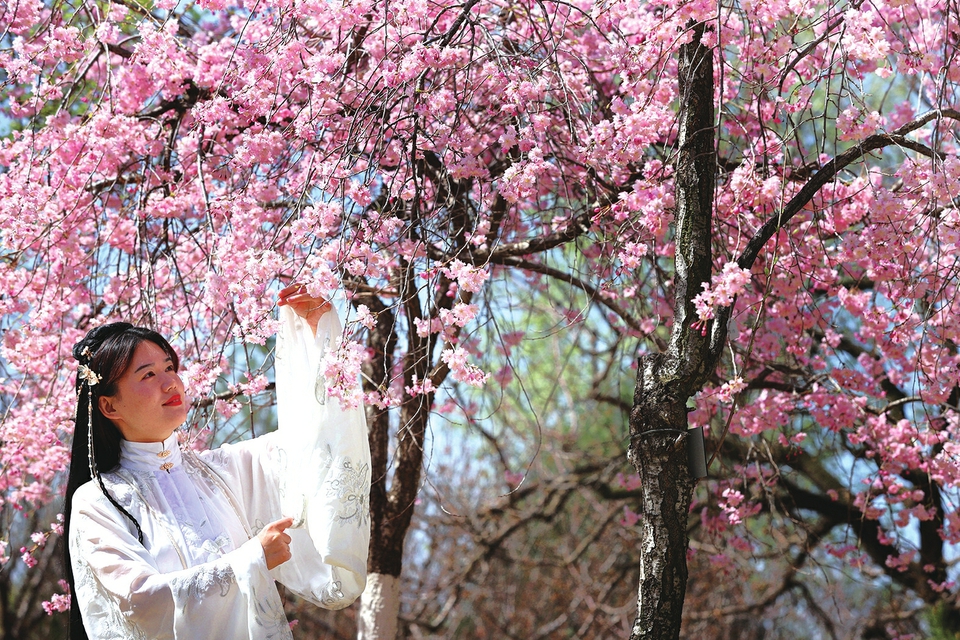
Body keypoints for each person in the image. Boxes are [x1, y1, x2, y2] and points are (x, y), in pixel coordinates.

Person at [62, 285, 370, 640]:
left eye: (169, 367)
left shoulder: (225, 471)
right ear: (109, 406)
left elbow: (315, 444)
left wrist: (317, 334)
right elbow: (141, 601)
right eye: (148, 375)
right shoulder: (99, 501)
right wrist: (252, 560)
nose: (170, 382)